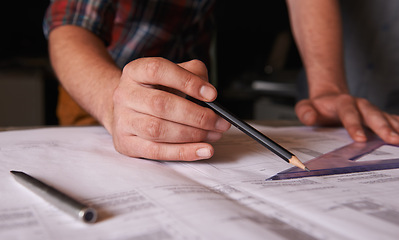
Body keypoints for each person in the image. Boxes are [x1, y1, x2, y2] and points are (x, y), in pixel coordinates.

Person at [43, 0, 399, 162]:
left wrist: (327, 88)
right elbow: (71, 26)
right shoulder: (108, 93)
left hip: (187, 96)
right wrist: (111, 101)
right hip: (101, 84)